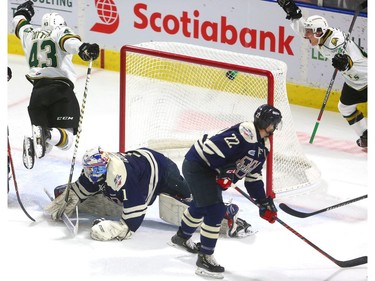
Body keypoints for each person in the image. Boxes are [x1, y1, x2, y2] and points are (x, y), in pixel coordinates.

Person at [44, 147, 253, 241]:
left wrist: (121, 228)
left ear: (102, 168)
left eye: (93, 170)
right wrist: (72, 197)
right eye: (88, 169)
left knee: (190, 201)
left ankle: (227, 213)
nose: (89, 172)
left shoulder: (122, 177)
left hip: (163, 170)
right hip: (142, 164)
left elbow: (137, 212)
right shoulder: (97, 168)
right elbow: (85, 185)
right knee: (99, 192)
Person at [170, 104, 282, 279]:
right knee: (215, 209)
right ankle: (205, 259)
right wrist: (225, 169)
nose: (274, 128)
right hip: (198, 166)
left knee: (201, 205)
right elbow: (210, 147)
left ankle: (181, 237)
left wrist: (263, 201)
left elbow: (253, 177)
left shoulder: (262, 147)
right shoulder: (246, 132)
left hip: (210, 173)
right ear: (267, 122)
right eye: (273, 123)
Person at [12, 1, 100, 169]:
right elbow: (68, 41)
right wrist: (83, 48)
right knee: (67, 140)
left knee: (46, 145)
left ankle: (38, 138)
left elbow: (18, 23)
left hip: (37, 93)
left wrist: (22, 12)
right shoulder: (59, 30)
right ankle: (45, 133)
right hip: (60, 91)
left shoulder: (30, 33)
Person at [277, 0, 368, 148]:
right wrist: (293, 12)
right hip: (354, 82)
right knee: (345, 107)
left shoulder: (335, 41)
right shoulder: (319, 35)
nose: (306, 35)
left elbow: (348, 57)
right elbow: (303, 29)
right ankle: (366, 136)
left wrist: (345, 63)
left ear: (319, 32)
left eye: (309, 32)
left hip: (367, 77)